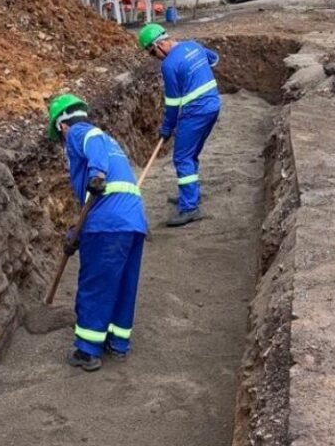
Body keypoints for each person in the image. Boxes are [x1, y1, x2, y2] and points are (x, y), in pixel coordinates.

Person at [47, 94, 148, 372]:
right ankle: (117, 343)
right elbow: (91, 203)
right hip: (131, 220)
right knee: (122, 283)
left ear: (61, 126)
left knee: (95, 285)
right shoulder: (110, 142)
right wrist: (75, 235)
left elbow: (95, 167)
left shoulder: (80, 132)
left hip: (108, 222)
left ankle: (87, 349)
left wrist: (97, 173)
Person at [138, 23, 221, 227]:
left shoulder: (169, 65)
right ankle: (190, 195)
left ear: (159, 44)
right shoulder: (193, 45)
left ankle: (190, 208)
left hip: (196, 112)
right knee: (191, 153)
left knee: (182, 157)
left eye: (151, 52)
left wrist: (167, 128)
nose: (154, 56)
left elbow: (173, 104)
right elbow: (214, 59)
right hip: (213, 105)